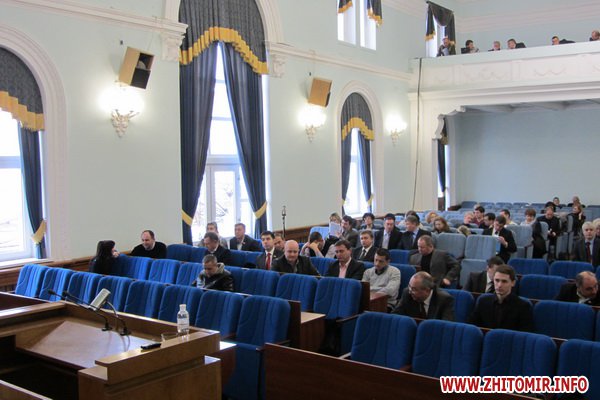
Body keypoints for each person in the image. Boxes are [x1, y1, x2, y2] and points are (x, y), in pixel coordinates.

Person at [469, 264, 534, 332]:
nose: (499, 285)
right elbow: (472, 327)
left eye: (504, 281)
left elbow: (525, 334)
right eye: (497, 280)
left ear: (513, 283)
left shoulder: (523, 306)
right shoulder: (483, 301)